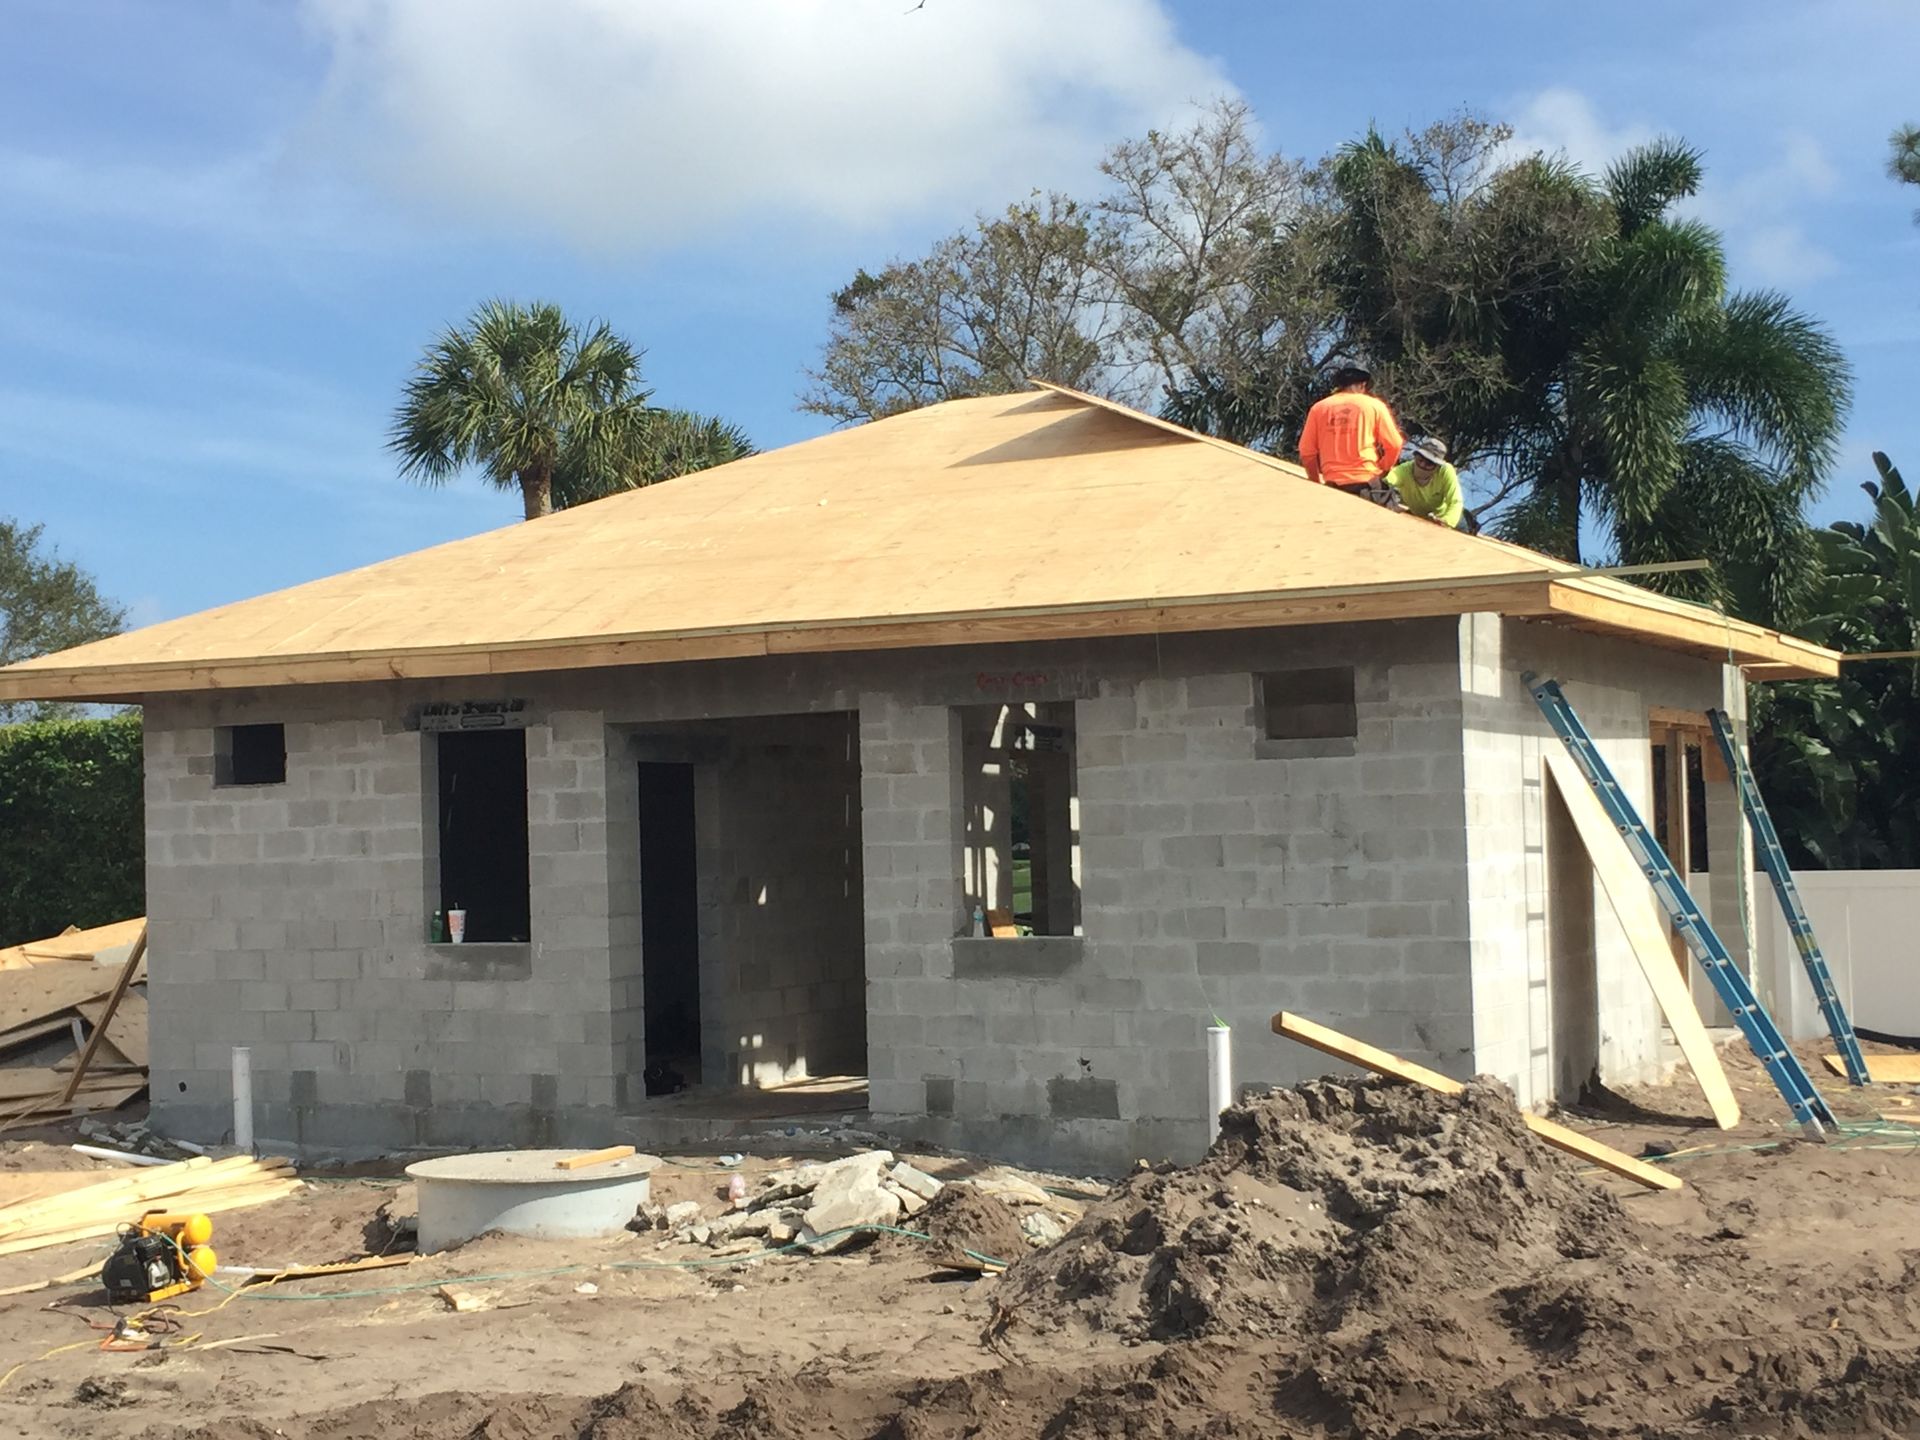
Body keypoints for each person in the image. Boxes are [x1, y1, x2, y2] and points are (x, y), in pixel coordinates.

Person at [1296, 364, 1407, 498]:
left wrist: (1315, 481)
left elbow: (1306, 451)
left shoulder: (1319, 408)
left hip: (1333, 484)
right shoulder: (1374, 405)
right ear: (1362, 384)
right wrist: (1383, 469)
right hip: (1367, 482)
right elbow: (1395, 444)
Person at [1385, 436, 1465, 528]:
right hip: (1416, 516)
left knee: (1464, 529)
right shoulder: (1404, 470)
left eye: (1429, 463)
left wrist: (1446, 522)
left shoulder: (1446, 472)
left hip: (1443, 517)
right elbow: (1386, 483)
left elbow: (1456, 501)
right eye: (1420, 459)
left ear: (1437, 466)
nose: (1422, 465)